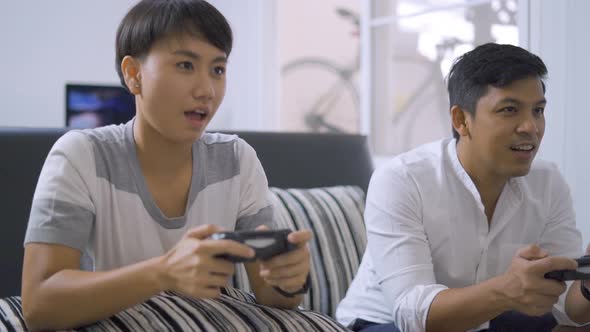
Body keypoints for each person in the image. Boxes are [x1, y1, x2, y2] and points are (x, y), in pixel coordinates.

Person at [21, 1, 312, 330]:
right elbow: (39, 303)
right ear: (134, 74)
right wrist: (162, 272)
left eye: (218, 69)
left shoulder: (237, 159)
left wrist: (289, 280)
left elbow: (273, 298)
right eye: (186, 65)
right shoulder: (81, 155)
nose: (207, 90)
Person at [336, 43, 590, 332]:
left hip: (488, 318)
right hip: (385, 322)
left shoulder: (548, 182)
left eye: (538, 110)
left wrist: (585, 289)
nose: (530, 127)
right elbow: (411, 312)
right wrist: (507, 289)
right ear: (461, 120)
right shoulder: (402, 179)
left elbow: (567, 310)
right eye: (509, 110)